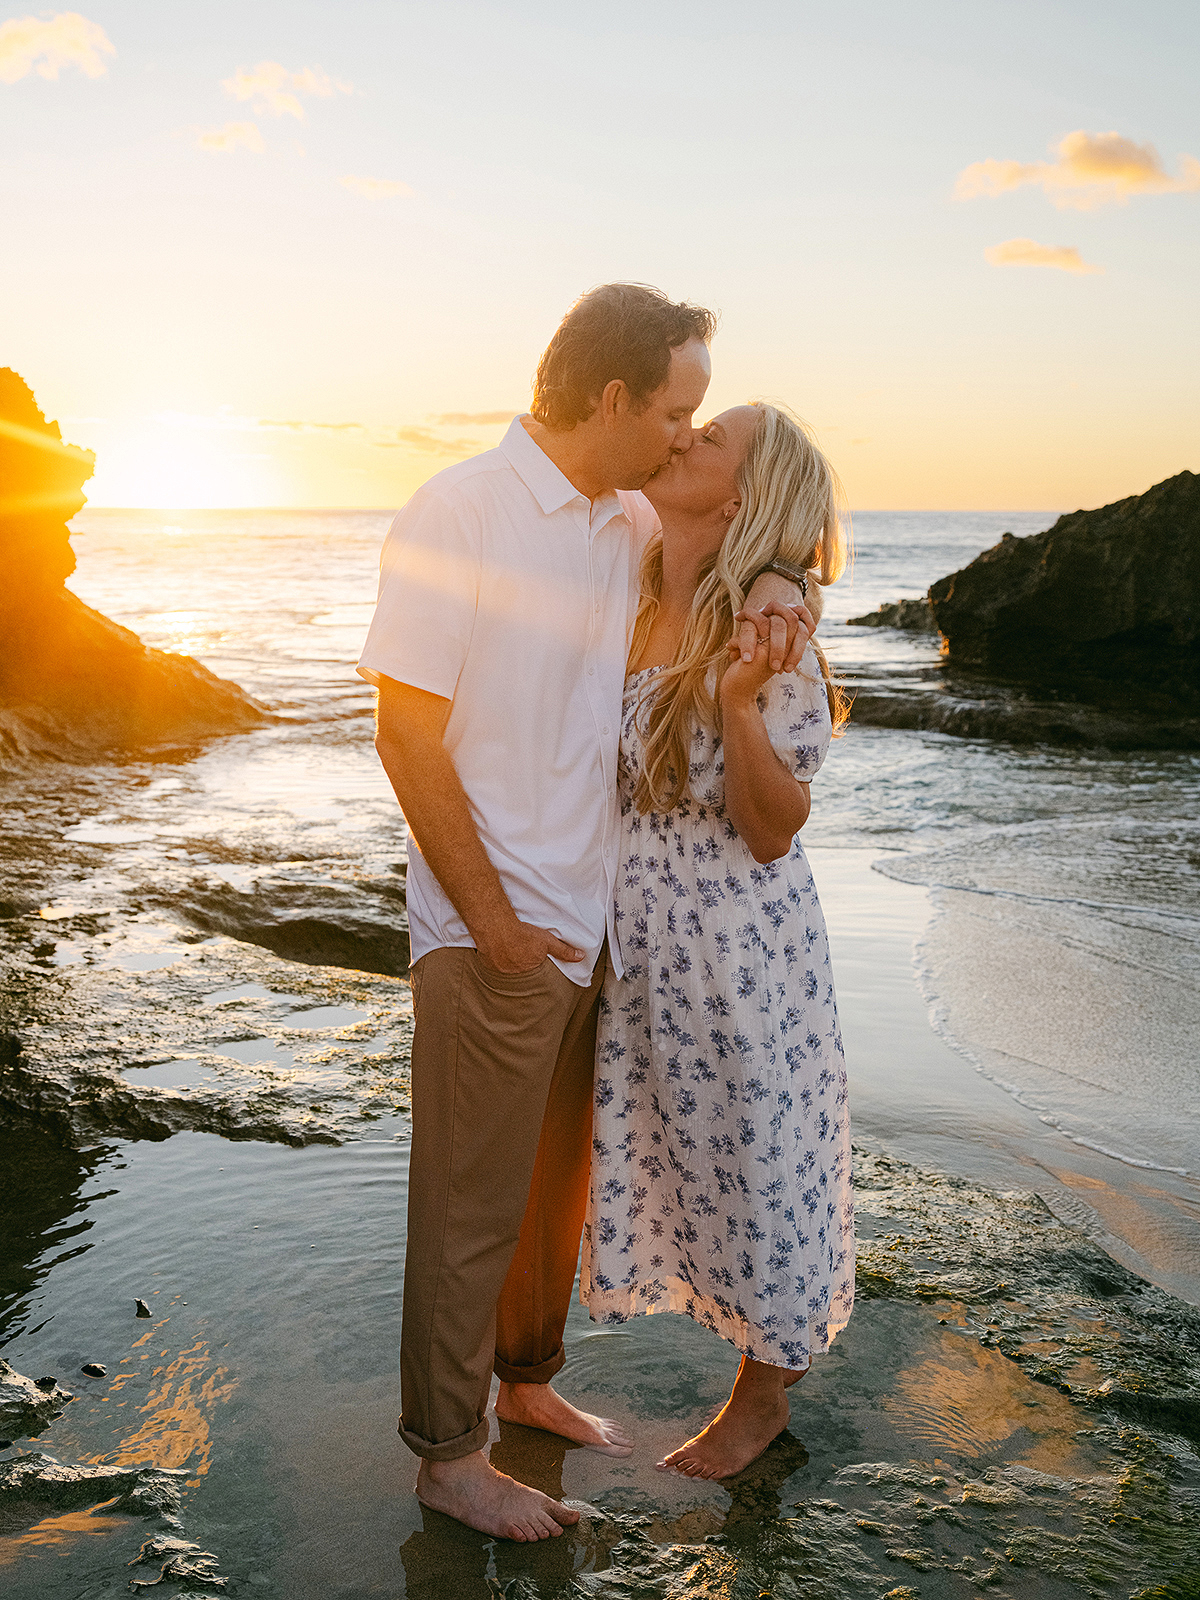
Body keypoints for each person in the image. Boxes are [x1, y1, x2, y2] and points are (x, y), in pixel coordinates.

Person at [357, 285, 811, 1542]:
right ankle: (449, 1457)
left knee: (551, 1194)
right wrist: (493, 923)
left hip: (594, 924)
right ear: (611, 398)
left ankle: (529, 1384)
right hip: (497, 928)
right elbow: (405, 730)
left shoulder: (617, 519)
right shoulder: (461, 511)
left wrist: (782, 573)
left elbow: (740, 540)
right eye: (674, 409)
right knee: (467, 1206)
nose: (683, 434)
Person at [581, 401, 855, 1479]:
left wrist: (740, 702)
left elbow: (773, 824)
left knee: (760, 1152)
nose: (685, 437)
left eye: (714, 439)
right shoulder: (635, 580)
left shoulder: (766, 617)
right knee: (679, 1144)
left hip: (737, 938)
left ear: (742, 495)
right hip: (641, 926)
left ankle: (763, 1396)